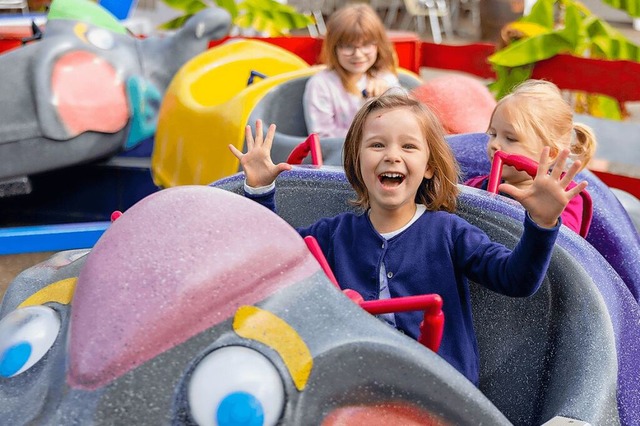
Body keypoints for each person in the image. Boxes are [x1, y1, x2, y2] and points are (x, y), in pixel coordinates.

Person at [228, 92, 587, 386]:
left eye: (409, 147)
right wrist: (260, 190)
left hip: (438, 395)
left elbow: (517, 279)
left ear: (429, 166)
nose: (392, 155)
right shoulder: (335, 234)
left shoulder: (448, 232)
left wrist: (541, 223)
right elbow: (275, 257)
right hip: (350, 386)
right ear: (356, 160)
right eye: (377, 145)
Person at [465, 79, 597, 235]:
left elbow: (561, 251)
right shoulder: (477, 186)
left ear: (550, 154)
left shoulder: (563, 198)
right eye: (493, 134)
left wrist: (547, 219)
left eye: (511, 139)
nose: (495, 144)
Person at [303, 3, 399, 139]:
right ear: (334, 48)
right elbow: (323, 137)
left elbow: (406, 120)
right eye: (348, 46)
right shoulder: (321, 84)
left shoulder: (385, 79)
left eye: (366, 45)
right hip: (340, 157)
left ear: (378, 45)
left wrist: (388, 94)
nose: (358, 54)